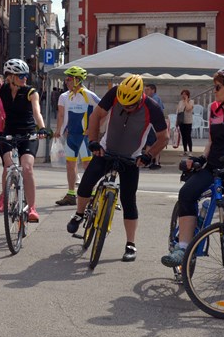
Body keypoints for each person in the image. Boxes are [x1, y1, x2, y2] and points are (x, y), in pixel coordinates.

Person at [161, 67, 224, 297]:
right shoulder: (215, 109)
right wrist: (200, 159)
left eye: (217, 88)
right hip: (215, 167)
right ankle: (183, 249)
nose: (213, 92)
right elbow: (211, 143)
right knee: (187, 193)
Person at [65, 75, 167, 262]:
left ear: (139, 97)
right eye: (123, 104)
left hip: (131, 158)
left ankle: (130, 244)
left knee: (129, 200)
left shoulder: (152, 108)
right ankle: (79, 214)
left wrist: (148, 155)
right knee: (86, 184)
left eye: (130, 106)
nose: (126, 108)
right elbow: (96, 116)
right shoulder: (114, 93)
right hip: (106, 151)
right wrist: (94, 142)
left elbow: (164, 137)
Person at [0, 59, 51, 222]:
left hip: (28, 133)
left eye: (26, 75)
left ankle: (32, 208)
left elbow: (37, 112)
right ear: (10, 77)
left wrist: (42, 128)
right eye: (21, 75)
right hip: (9, 132)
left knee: (27, 168)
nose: (25, 78)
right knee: (8, 165)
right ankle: (4, 196)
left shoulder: (31, 92)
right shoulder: (1, 89)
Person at [53, 66, 100, 206]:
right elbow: (62, 115)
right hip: (71, 135)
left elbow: (104, 109)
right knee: (70, 164)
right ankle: (71, 194)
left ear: (77, 80)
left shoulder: (88, 94)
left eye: (69, 79)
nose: (66, 81)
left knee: (87, 165)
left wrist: (94, 128)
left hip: (84, 137)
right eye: (66, 79)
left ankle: (92, 194)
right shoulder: (65, 96)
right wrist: (59, 131)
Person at [144, 83, 164, 169]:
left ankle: (149, 161)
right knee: (153, 142)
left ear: (153, 90)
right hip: (153, 124)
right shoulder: (154, 98)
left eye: (148, 89)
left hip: (153, 124)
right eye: (145, 89)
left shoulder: (154, 99)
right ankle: (154, 161)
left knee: (151, 142)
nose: (146, 91)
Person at [176, 89, 195, 154]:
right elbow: (178, 112)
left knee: (188, 136)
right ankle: (185, 150)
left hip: (188, 121)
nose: (183, 95)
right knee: (183, 136)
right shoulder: (180, 102)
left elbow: (188, 109)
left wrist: (186, 101)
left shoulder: (191, 101)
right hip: (181, 121)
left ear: (188, 95)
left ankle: (190, 151)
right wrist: (177, 122)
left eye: (185, 94)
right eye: (182, 94)